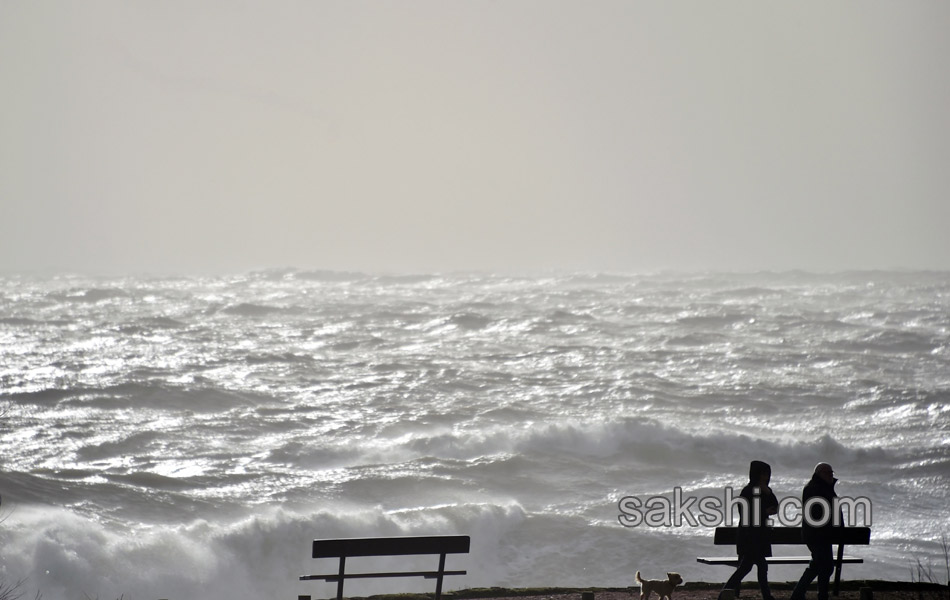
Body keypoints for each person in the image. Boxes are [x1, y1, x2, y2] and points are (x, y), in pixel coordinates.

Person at [719, 460, 779, 600]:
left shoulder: (765, 491)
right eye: (763, 474)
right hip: (750, 536)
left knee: (754, 566)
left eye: (767, 474)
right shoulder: (747, 491)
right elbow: (747, 513)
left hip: (760, 535)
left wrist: (768, 493)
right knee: (752, 566)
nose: (765, 477)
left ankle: (726, 593)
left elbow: (774, 507)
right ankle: (726, 593)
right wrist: (764, 512)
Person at [790, 463, 840, 600]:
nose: (831, 475)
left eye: (831, 472)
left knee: (822, 565)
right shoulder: (814, 488)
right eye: (827, 472)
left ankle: (806, 594)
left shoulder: (822, 487)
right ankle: (801, 594)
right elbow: (817, 513)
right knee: (822, 565)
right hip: (818, 535)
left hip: (822, 534)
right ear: (819, 474)